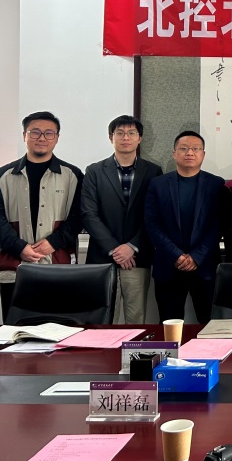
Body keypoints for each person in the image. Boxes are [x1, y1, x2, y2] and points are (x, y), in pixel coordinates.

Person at [0, 111, 84, 322]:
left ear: (57, 138)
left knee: (59, 329)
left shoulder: (72, 175)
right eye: (35, 132)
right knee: (15, 329)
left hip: (58, 264)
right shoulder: (2, 176)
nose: (42, 138)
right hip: (15, 266)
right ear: (24, 135)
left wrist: (53, 242)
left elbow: (79, 215)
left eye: (49, 133)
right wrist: (19, 247)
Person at [82, 115, 163, 323]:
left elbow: (154, 215)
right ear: (111, 138)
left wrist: (132, 246)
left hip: (137, 257)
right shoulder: (94, 171)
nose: (125, 137)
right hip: (102, 257)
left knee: (136, 318)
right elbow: (89, 214)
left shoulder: (153, 171)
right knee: (102, 319)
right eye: (120, 133)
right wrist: (114, 249)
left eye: (131, 133)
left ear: (140, 138)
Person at [144, 130, 223, 323]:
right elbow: (152, 223)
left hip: (204, 266)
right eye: (184, 148)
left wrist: (196, 256)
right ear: (174, 153)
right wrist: (176, 255)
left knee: (210, 325)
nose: (190, 153)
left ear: (203, 154)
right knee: (170, 326)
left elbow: (218, 224)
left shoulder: (216, 184)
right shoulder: (157, 184)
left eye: (196, 149)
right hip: (168, 265)